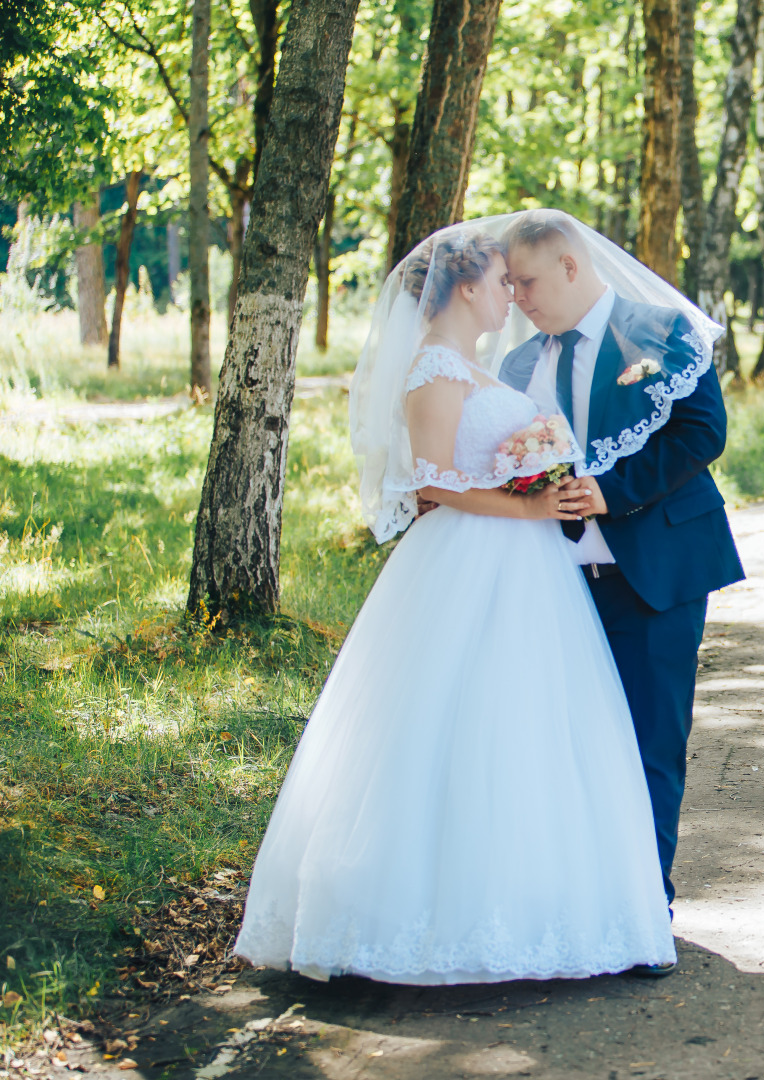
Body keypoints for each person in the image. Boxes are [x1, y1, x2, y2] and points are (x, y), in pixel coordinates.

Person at [233, 225, 678, 984]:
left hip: (529, 569)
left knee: (531, 728)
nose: (513, 294)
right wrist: (531, 507)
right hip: (474, 562)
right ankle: (431, 914)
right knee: (454, 725)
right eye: (504, 282)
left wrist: (538, 474)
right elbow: (433, 484)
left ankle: (545, 902)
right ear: (467, 288)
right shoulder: (434, 370)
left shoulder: (478, 367)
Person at [498, 210, 745, 976]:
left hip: (654, 573)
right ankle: (583, 902)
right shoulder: (514, 368)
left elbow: (703, 432)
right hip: (552, 583)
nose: (519, 299)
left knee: (648, 744)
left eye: (528, 282)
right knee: (568, 746)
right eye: (508, 286)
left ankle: (645, 910)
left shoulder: (662, 331)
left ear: (570, 266)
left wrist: (613, 490)